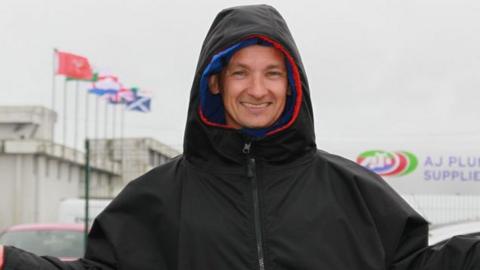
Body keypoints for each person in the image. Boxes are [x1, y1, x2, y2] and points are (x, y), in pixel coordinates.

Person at [1, 4, 479, 270]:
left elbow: (421, 266)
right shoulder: (159, 198)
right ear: (215, 81)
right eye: (240, 73)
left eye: (272, 73)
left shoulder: (350, 190)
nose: (256, 89)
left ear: (292, 85)